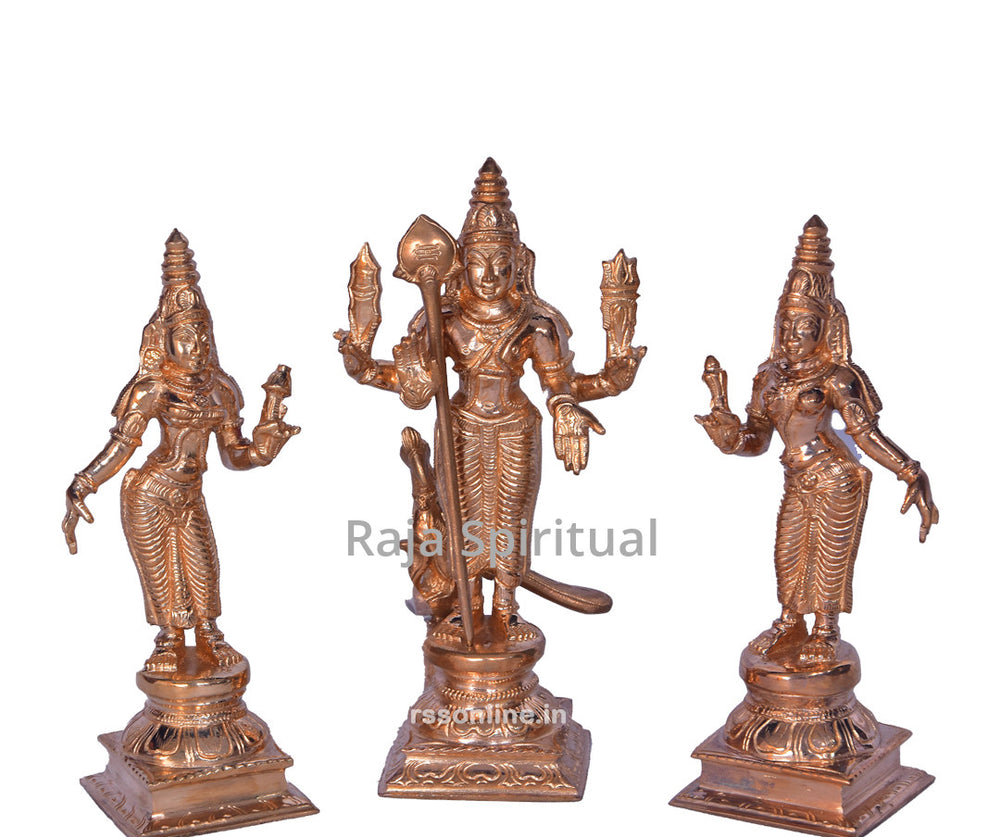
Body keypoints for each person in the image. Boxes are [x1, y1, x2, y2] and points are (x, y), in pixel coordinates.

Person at [339, 159, 644, 637]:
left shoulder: (536, 323)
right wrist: (365, 364)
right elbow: (415, 383)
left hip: (515, 425)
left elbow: (560, 383)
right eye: (479, 261)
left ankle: (505, 606)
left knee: (511, 517)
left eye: (502, 263)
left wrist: (578, 400)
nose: (490, 274)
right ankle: (466, 606)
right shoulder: (443, 319)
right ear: (462, 263)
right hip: (460, 425)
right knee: (460, 518)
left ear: (519, 263)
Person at [697, 216, 938, 662]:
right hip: (796, 476)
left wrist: (910, 471)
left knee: (828, 555)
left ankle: (825, 629)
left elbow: (865, 435)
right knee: (788, 552)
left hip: (835, 477)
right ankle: (790, 621)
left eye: (804, 326)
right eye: (785, 325)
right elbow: (757, 440)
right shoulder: (768, 376)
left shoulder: (835, 376)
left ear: (825, 329)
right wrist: (727, 437)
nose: (792, 336)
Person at [62, 230, 298, 670]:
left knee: (203, 567)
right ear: (164, 340)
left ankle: (209, 635)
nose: (197, 346)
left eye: (203, 335)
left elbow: (234, 456)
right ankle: (169, 640)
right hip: (149, 493)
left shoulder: (221, 389)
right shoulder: (151, 389)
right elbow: (121, 447)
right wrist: (83, 484)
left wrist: (266, 448)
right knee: (162, 576)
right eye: (186, 336)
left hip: (190, 493)